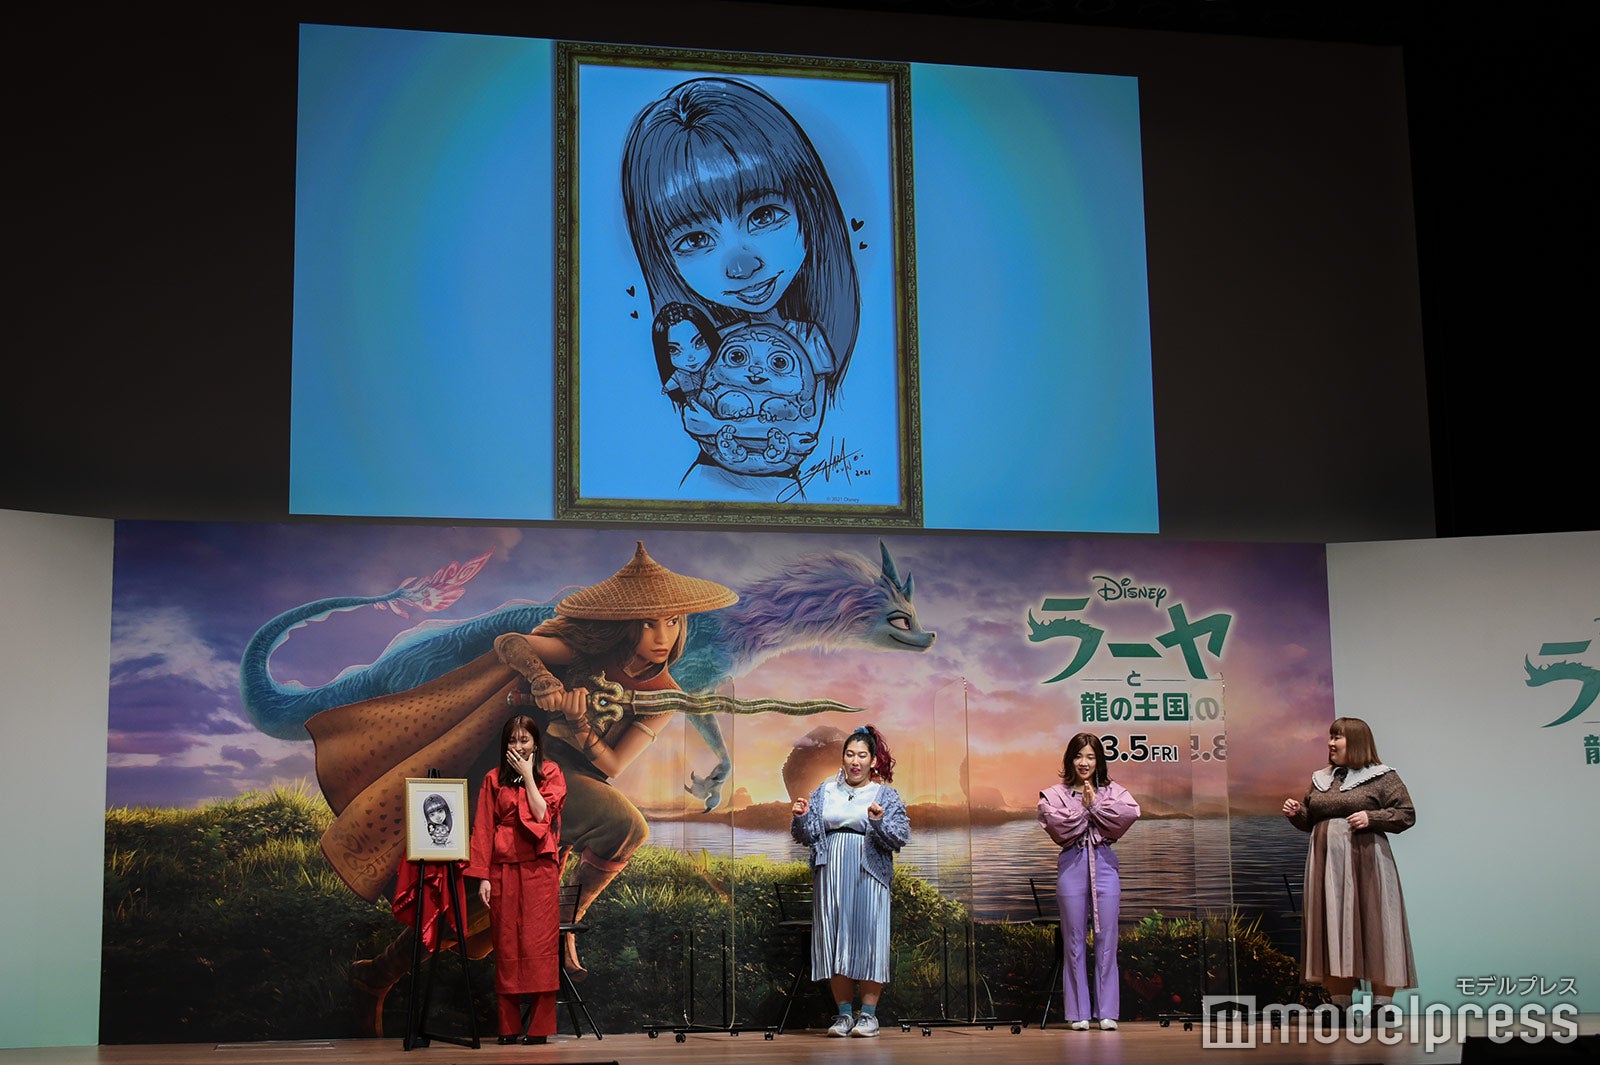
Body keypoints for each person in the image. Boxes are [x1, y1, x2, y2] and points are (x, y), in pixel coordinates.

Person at [492, 541, 737, 977]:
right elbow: (510, 643)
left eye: (672, 622)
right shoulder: (588, 655)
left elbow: (613, 766)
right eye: (648, 623)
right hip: (540, 768)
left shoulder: (667, 695)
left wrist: (580, 722)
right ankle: (562, 924)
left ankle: (564, 922)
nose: (662, 637)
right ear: (627, 624)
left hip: (588, 780)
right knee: (629, 826)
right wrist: (542, 677)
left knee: (616, 832)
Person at [621, 76, 860, 493]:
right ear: (663, 258)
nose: (742, 266)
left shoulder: (814, 342)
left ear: (809, 205)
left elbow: (808, 422)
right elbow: (698, 419)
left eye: (763, 215)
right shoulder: (701, 345)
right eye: (695, 239)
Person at [1282, 717, 1417, 1020]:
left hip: (1367, 862)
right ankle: (1339, 1002)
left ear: (1356, 742)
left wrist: (1372, 818)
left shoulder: (1382, 777)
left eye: (1337, 737)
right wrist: (1297, 813)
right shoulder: (1322, 778)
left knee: (1376, 924)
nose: (1330, 743)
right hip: (1326, 864)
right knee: (1331, 924)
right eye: (1331, 736)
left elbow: (1406, 814)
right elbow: (1311, 819)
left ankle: (1382, 1005)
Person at [790, 725, 910, 1037]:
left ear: (873, 761)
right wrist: (801, 817)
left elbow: (899, 836)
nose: (855, 761)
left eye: (862, 755)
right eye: (850, 754)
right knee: (834, 939)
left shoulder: (884, 795)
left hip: (868, 872)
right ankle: (844, 1015)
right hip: (830, 871)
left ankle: (868, 1016)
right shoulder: (825, 791)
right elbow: (806, 835)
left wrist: (878, 822)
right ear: (842, 758)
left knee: (869, 939)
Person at [463, 715, 566, 1044]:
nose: (519, 746)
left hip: (539, 869)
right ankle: (508, 1027)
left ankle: (539, 1028)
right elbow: (482, 828)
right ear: (504, 744)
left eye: (525, 740)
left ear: (535, 743)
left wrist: (528, 776)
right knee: (506, 943)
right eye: (512, 740)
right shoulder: (493, 779)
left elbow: (542, 814)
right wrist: (483, 876)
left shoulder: (552, 773)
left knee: (539, 945)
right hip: (503, 868)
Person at [1037, 733, 1141, 1031]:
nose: (1084, 762)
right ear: (1070, 759)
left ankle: (1107, 1011)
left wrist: (1094, 805)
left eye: (1091, 757)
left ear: (1099, 761)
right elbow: (1059, 827)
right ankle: (1078, 1012)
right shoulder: (1054, 794)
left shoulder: (1112, 792)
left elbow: (1126, 817)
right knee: (1074, 940)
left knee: (1107, 939)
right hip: (1072, 867)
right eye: (1079, 756)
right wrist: (1091, 813)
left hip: (1105, 867)